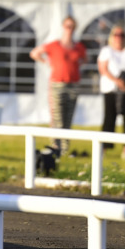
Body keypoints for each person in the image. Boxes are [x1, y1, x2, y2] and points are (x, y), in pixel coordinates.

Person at [30, 16, 88, 155]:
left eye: (72, 26)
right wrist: (46, 62)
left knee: (68, 117)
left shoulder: (78, 47)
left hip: (73, 84)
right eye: (67, 26)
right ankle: (56, 146)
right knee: (57, 117)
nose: (69, 29)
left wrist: (77, 66)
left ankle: (65, 148)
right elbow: (34, 53)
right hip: (58, 84)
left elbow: (85, 59)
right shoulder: (54, 45)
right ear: (63, 27)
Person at [97, 24, 125, 159]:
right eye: (116, 35)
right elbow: (103, 69)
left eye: (122, 35)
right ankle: (104, 148)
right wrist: (117, 81)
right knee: (109, 118)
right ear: (112, 37)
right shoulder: (106, 50)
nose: (119, 38)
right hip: (111, 90)